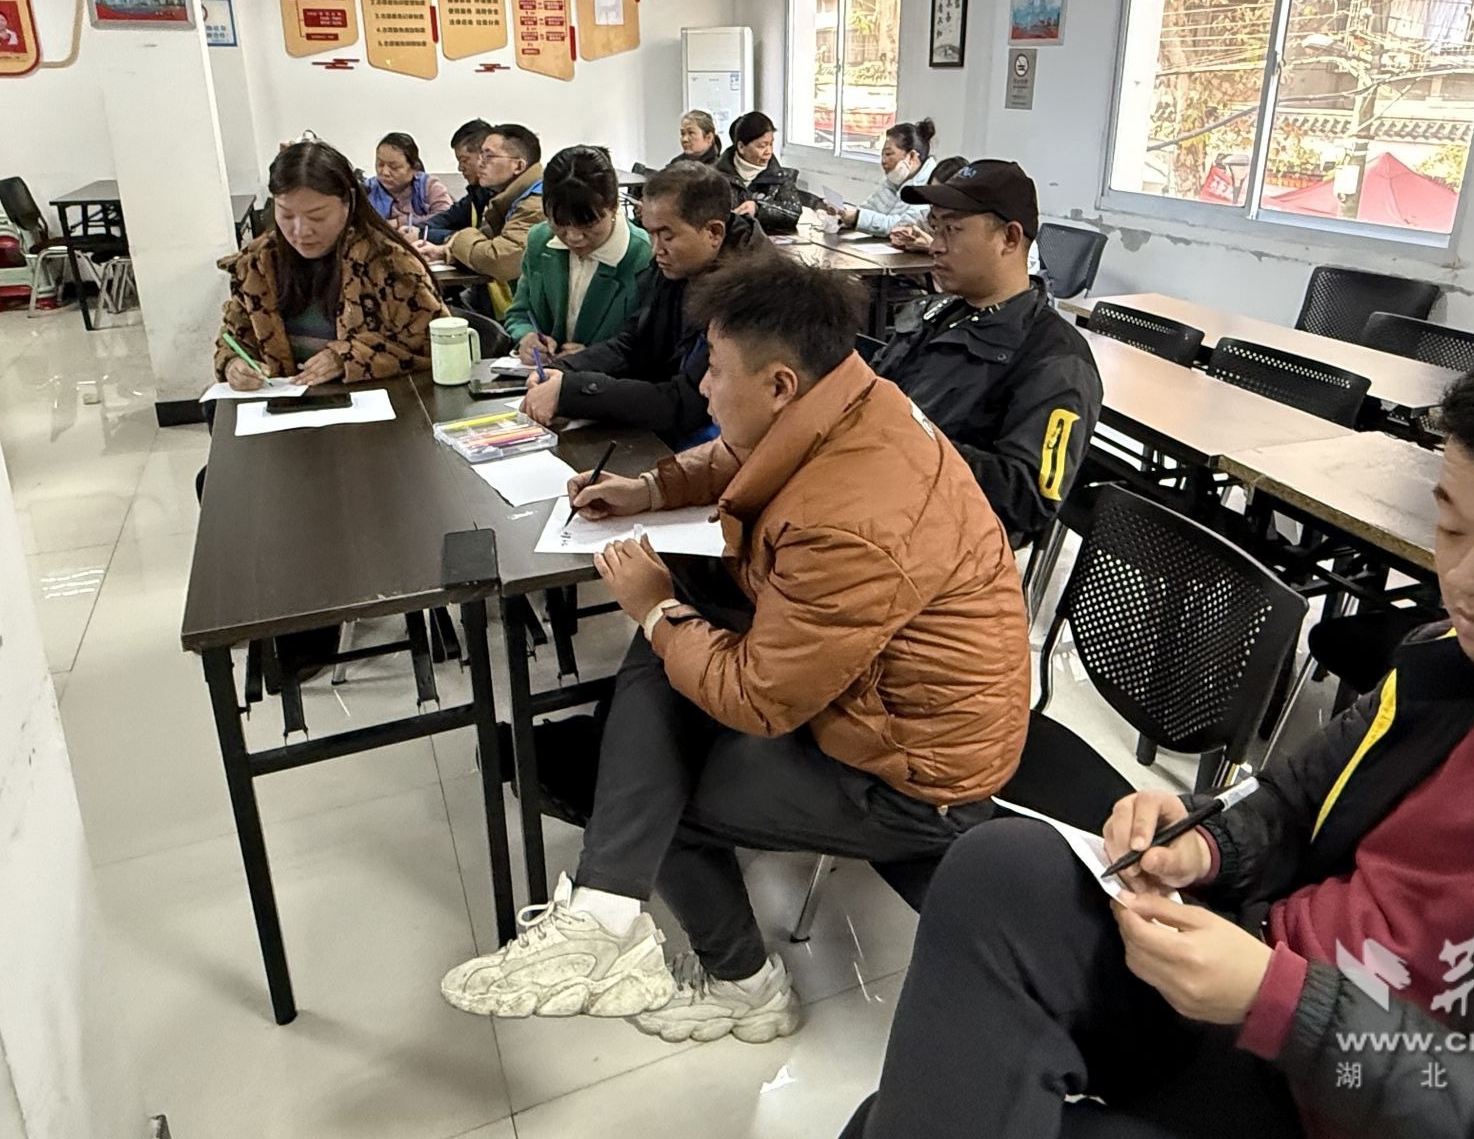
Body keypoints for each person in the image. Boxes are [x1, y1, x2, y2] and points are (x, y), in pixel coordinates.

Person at [843, 334, 1474, 1139]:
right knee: (1007, 867)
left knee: (890, 1122)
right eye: (1452, 526)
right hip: (1266, 1000)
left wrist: (1288, 1004)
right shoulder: (1458, 664)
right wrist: (1206, 846)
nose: (1466, 577)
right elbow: (1294, 799)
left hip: (1369, 1093)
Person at [444, 258, 1030, 1043]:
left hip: (912, 775)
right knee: (673, 626)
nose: (704, 387)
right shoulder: (851, 399)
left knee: (660, 789)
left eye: (716, 370)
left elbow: (760, 700)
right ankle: (607, 909)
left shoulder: (852, 520)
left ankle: (745, 986)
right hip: (869, 701)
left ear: (780, 383)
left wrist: (653, 608)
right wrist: (651, 490)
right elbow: (743, 452)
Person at [871, 159, 1100, 549]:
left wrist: (908, 442)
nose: (936, 245)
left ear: (1009, 238)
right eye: (935, 227)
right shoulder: (937, 313)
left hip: (938, 543)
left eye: (953, 229)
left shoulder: (1057, 361)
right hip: (876, 495)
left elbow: (1028, 497)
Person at [520, 161, 759, 448]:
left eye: (667, 236)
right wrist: (565, 370)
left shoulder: (749, 296)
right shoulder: (678, 264)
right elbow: (634, 343)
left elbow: (687, 404)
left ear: (714, 232)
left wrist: (572, 392)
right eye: (651, 233)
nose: (655, 248)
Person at [215, 138, 447, 389]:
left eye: (317, 216)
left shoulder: (390, 263)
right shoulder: (257, 264)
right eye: (286, 214)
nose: (301, 231)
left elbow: (436, 343)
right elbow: (233, 337)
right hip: (284, 405)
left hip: (377, 405)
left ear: (348, 203)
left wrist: (350, 357)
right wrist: (233, 364)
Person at [505, 145, 655, 365]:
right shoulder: (540, 240)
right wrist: (526, 337)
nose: (574, 237)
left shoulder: (643, 256)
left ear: (614, 206)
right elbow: (519, 313)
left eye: (588, 225)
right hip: (542, 376)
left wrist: (593, 358)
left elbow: (649, 345)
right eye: (560, 224)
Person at [445, 123, 546, 304]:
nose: (480, 163)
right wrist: (443, 250)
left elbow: (499, 260)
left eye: (489, 156)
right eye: (480, 155)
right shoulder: (506, 198)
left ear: (518, 166)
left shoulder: (535, 204)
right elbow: (482, 242)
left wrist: (459, 237)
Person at [833, 118, 936, 246]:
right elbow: (868, 209)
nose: (883, 161)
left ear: (912, 156)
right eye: (882, 155)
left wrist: (858, 218)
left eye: (888, 154)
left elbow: (904, 226)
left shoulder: (931, 186)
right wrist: (843, 215)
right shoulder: (892, 181)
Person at [714, 112, 803, 235]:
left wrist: (758, 209)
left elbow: (793, 212)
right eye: (762, 146)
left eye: (771, 144)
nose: (768, 151)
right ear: (741, 147)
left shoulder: (780, 177)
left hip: (765, 242)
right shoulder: (715, 176)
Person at [414, 119, 496, 254]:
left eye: (464, 160)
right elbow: (446, 219)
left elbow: (485, 242)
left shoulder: (504, 197)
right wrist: (416, 230)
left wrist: (453, 239)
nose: (460, 168)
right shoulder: (476, 195)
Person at [364, 131, 451, 232]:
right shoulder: (367, 189)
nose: (385, 172)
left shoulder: (429, 186)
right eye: (380, 164)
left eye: (394, 167)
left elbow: (446, 217)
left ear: (414, 168)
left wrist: (401, 222)